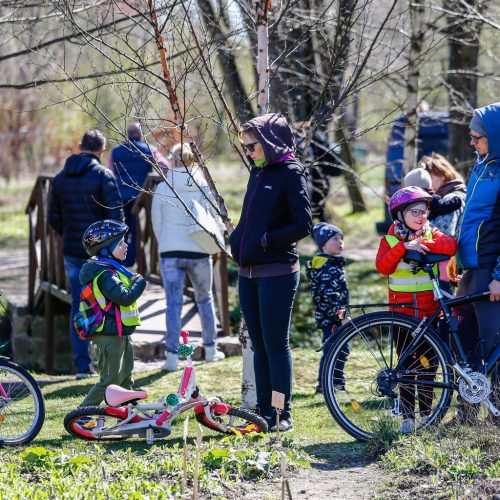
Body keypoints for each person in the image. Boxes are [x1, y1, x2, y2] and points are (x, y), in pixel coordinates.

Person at [229, 112, 312, 432]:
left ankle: (281, 413)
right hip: (248, 273)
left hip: (277, 270)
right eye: (245, 146)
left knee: (276, 345)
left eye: (252, 145)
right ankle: (263, 413)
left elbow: (302, 224)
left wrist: (267, 240)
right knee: (259, 345)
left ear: (269, 142)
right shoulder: (257, 171)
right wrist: (237, 238)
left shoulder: (291, 172)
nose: (248, 151)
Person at [376, 186, 457, 433]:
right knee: (405, 367)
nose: (421, 216)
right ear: (400, 213)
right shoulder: (390, 239)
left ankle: (427, 415)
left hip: (428, 314)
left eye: (424, 212)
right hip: (401, 316)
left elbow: (450, 245)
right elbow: (383, 266)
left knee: (428, 367)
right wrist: (405, 247)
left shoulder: (430, 232)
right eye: (415, 211)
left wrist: (423, 243)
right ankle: (408, 418)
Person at [49, 129, 124, 379]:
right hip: (100, 254)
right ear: (101, 151)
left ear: (80, 145)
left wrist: (70, 234)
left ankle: (82, 367)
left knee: (78, 307)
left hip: (72, 251)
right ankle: (107, 366)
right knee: (105, 306)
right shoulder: (103, 175)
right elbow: (116, 216)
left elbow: (53, 218)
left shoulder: (60, 178)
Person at [447, 102, 500, 425]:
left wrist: (499, 276)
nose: (472, 143)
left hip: (490, 275)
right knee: (464, 344)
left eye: (477, 137)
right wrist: (456, 257)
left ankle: (495, 422)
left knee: (493, 350)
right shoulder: (483, 165)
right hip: (471, 271)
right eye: (470, 136)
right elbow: (470, 219)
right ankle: (465, 415)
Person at [152, 143, 225, 372]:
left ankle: (172, 357)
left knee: (173, 304)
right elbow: (215, 218)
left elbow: (157, 224)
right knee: (205, 299)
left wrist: (165, 244)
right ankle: (211, 349)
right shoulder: (203, 185)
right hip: (200, 250)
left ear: (172, 161)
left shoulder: (163, 188)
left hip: (171, 252)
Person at [78, 220, 146, 407]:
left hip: (120, 335)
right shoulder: (105, 275)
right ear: (106, 248)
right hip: (108, 337)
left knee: (125, 381)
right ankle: (81, 415)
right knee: (109, 381)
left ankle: (127, 416)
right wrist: (139, 283)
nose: (126, 245)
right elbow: (124, 297)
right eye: (121, 243)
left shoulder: (113, 270)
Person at [109, 122, 168, 267]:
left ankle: (120, 259)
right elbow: (165, 167)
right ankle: (133, 260)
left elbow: (110, 172)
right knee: (137, 229)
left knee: (122, 227)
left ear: (127, 135)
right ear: (140, 134)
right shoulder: (149, 149)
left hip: (120, 196)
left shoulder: (115, 151)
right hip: (140, 197)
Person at [307, 223, 349, 394]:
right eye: (335, 239)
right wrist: (343, 316)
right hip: (331, 317)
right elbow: (331, 296)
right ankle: (326, 384)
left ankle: (337, 383)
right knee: (335, 349)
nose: (340, 242)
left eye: (341, 238)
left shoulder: (332, 263)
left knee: (340, 348)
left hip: (334, 315)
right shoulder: (327, 266)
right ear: (323, 243)